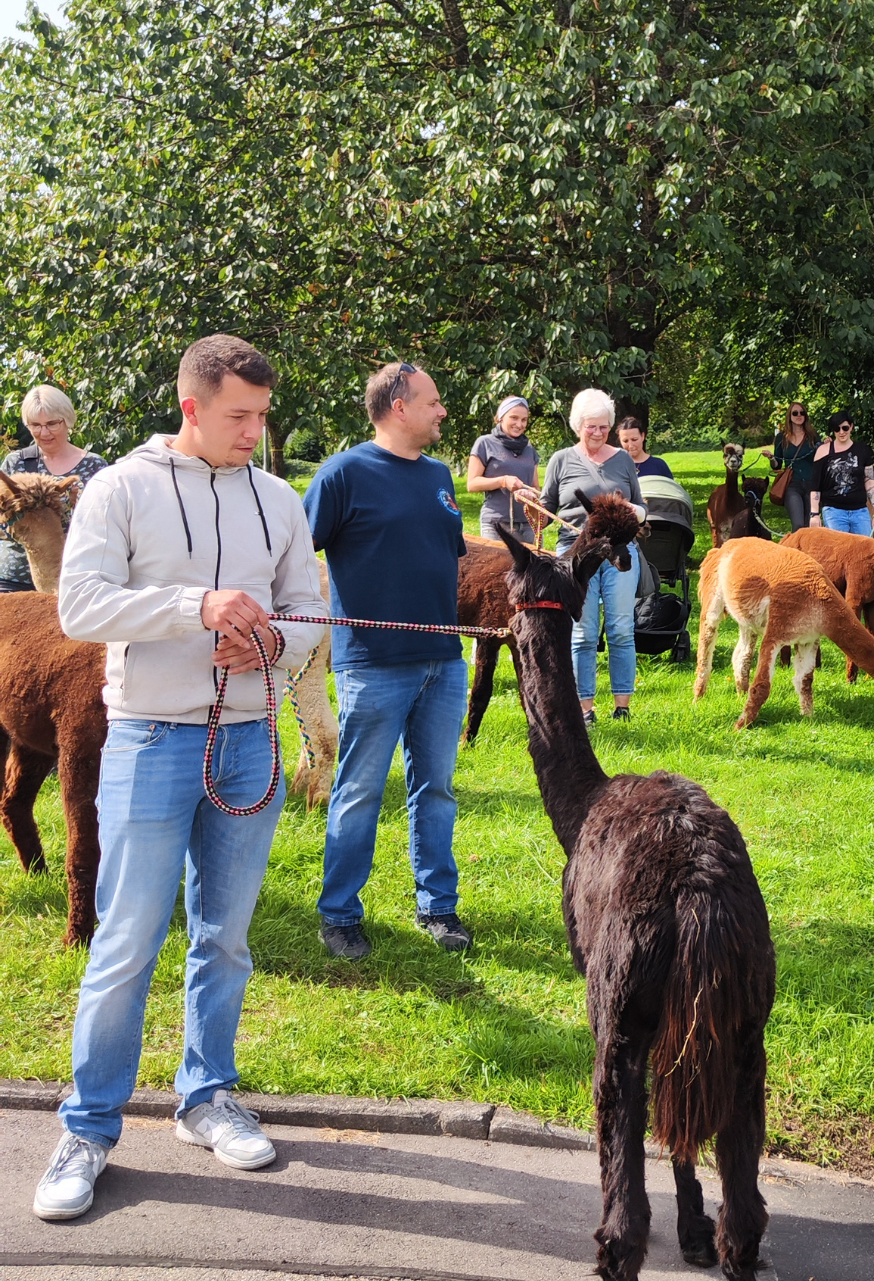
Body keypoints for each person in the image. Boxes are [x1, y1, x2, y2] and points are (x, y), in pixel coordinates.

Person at [33, 336, 327, 1223]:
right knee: (126, 941)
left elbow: (308, 608)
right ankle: (88, 1127)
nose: (255, 432)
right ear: (191, 407)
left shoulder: (278, 498)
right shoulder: (120, 489)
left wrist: (273, 642)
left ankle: (206, 1098)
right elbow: (81, 605)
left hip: (248, 741)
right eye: (240, 415)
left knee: (225, 938)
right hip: (150, 740)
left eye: (263, 415)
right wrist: (195, 608)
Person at [304, 363, 472, 961]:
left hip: (444, 661)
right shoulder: (342, 474)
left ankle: (438, 906)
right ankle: (340, 915)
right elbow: (294, 555)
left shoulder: (439, 475)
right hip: (373, 665)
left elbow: (448, 555)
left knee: (437, 789)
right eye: (433, 401)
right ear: (399, 407)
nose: (443, 411)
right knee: (359, 791)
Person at [527, 388, 648, 726]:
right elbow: (545, 511)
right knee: (582, 632)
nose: (597, 432)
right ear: (577, 425)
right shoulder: (561, 460)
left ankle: (622, 706)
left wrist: (632, 510)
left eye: (604, 427)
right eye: (591, 426)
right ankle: (584, 709)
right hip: (576, 556)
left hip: (619, 553)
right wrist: (531, 507)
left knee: (621, 628)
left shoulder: (623, 460)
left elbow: (642, 509)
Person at [1, 386, 110, 593]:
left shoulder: (94, 466)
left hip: (74, 578)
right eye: (36, 425)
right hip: (14, 579)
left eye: (52, 424)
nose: (44, 433)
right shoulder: (15, 463)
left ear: (67, 420)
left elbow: (107, 525)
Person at [465, 395, 540, 542]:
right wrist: (503, 481)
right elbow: (472, 484)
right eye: (514, 418)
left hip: (528, 525)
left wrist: (530, 495)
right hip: (496, 524)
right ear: (501, 417)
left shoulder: (529, 449)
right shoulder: (484, 443)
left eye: (524, 420)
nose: (519, 424)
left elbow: (535, 488)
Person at [809, 411, 874, 536]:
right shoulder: (823, 451)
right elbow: (815, 486)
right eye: (837, 429)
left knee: (864, 547)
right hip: (833, 511)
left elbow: (869, 481)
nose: (841, 432)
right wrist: (814, 514)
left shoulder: (863, 450)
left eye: (845, 428)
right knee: (839, 547)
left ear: (851, 427)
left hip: (860, 511)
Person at [762, 402, 818, 531]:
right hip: (792, 484)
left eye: (802, 413)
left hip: (811, 484)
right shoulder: (782, 437)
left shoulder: (813, 436)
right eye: (795, 413)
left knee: (810, 525)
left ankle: (807, 545)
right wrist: (771, 458)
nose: (799, 415)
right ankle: (796, 544)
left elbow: (820, 458)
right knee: (798, 525)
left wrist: (825, 446)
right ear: (789, 416)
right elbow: (777, 465)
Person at [617, 414, 674, 479]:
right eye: (625, 441)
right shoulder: (615, 467)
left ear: (642, 436)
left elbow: (669, 485)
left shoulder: (659, 465)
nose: (630, 445)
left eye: (634, 439)